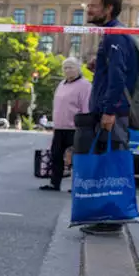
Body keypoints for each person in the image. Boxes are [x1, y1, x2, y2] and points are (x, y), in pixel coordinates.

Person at [78, 0, 139, 235]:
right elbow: (114, 71)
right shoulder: (112, 34)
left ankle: (112, 221)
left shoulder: (115, 35)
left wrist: (110, 111)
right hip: (109, 109)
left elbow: (119, 76)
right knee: (108, 162)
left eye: (93, 6)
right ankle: (107, 217)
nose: (88, 10)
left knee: (112, 163)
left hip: (112, 113)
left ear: (108, 8)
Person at [40, 57, 91, 191]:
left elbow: (86, 107)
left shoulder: (85, 85)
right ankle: (54, 183)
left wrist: (85, 126)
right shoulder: (62, 84)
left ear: (78, 69)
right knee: (56, 155)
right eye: (65, 68)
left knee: (77, 159)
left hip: (75, 128)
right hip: (59, 127)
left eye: (71, 67)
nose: (67, 70)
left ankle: (78, 186)